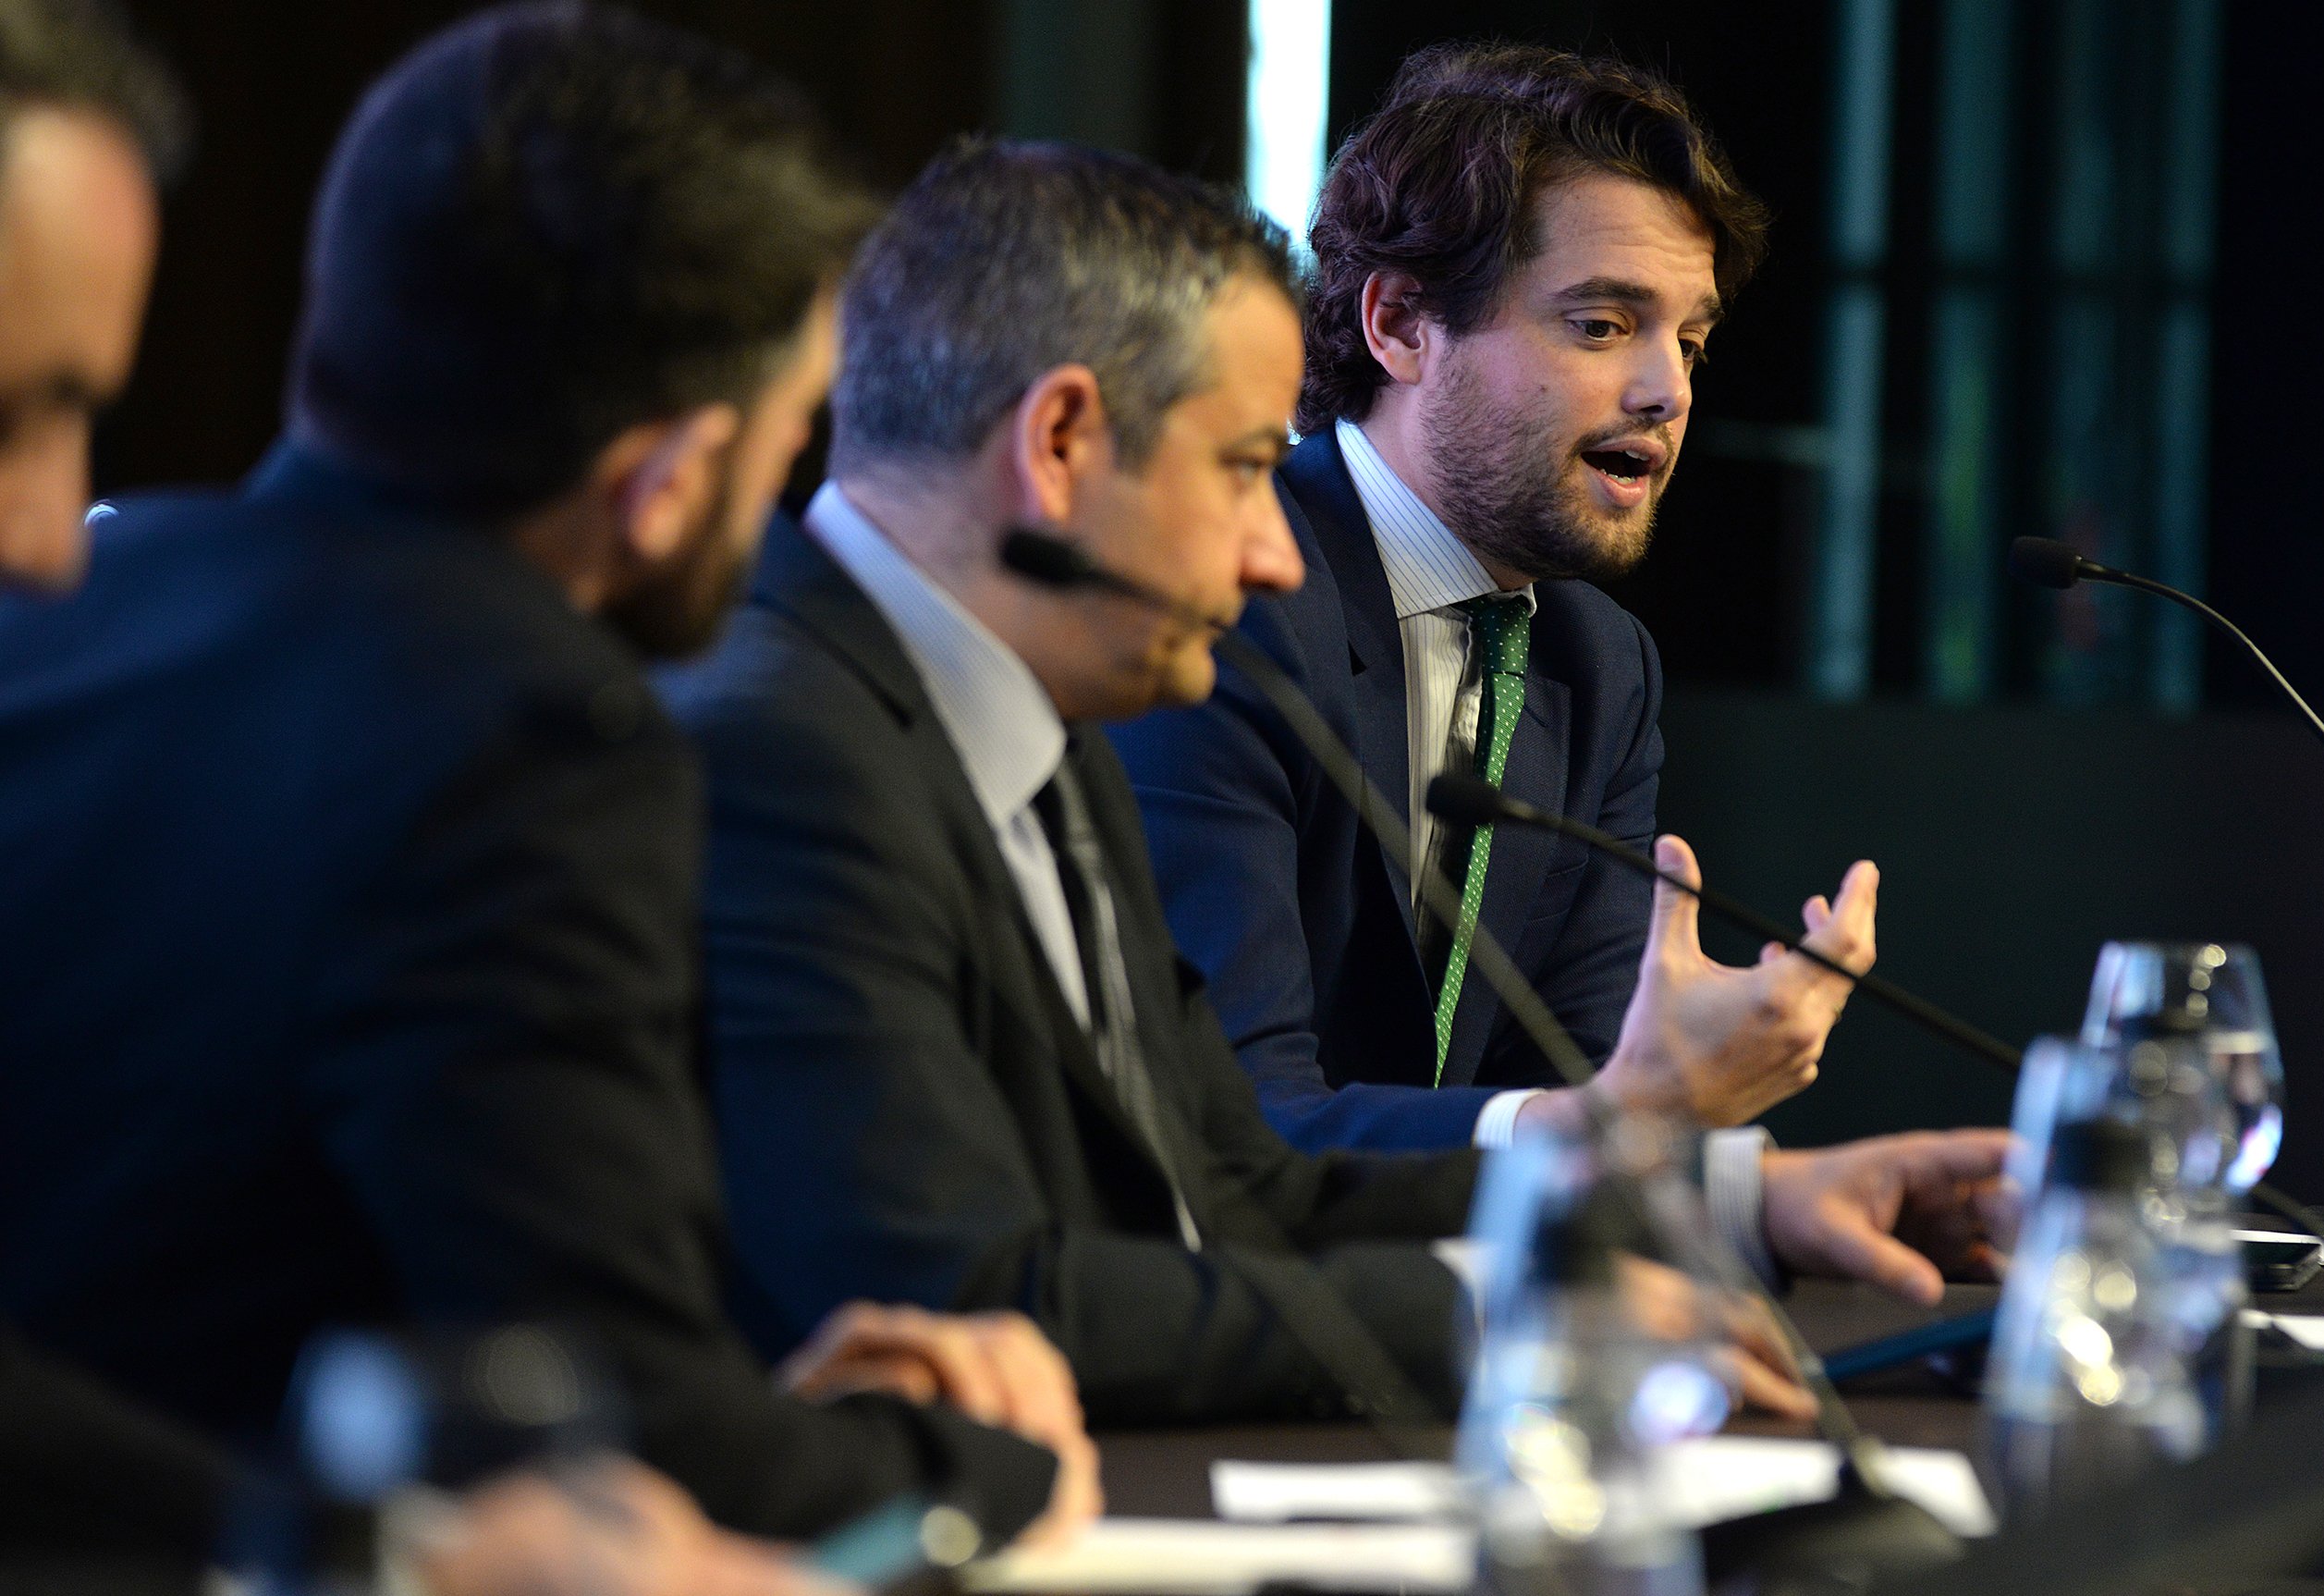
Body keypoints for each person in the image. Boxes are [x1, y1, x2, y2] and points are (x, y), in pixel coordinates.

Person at [662, 139, 2012, 1433]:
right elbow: (961, 1291)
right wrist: (1501, 1319)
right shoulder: (783, 751)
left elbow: (1240, 1181)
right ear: (1060, 440)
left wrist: (1737, 1207)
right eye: (1247, 470)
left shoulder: (1037, 728)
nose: (1271, 551)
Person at [0, 1, 1089, 1552]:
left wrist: (766, 1415)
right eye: (786, 440)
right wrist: (976, 1465)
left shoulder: (84, 606)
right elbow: (615, 1407)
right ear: (666, 481)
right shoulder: (522, 732)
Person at [1112, 43, 1872, 1163]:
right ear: (1399, 326)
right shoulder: (1226, 604)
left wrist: (1742, 1169)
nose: (1666, 391)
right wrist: (1624, 1116)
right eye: (1601, 325)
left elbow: (1581, 1086)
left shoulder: (1597, 663)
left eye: (1690, 342)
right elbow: (1230, 1117)